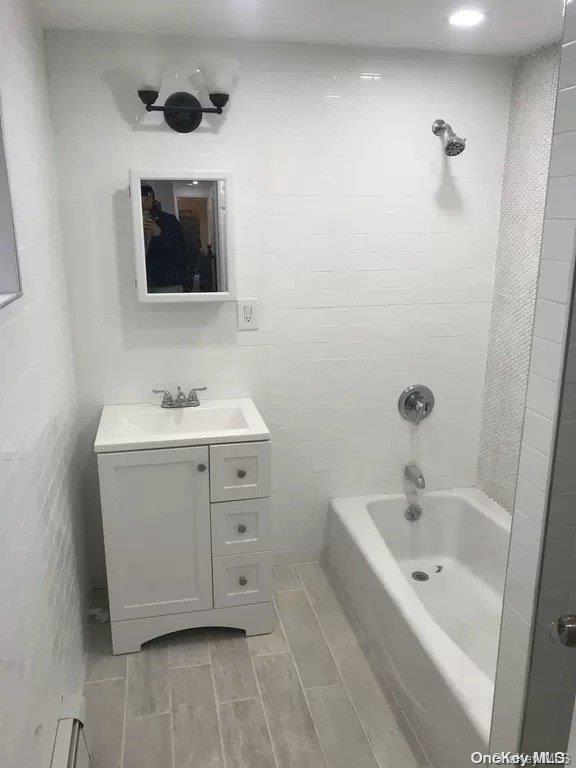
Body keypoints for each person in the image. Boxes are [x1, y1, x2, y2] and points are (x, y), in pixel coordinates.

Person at [141, 184, 190, 292]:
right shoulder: (129, 222)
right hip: (139, 282)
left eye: (146, 199)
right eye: (139, 200)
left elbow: (180, 252)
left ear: (153, 200)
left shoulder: (169, 221)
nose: (142, 204)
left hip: (166, 283)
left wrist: (159, 235)